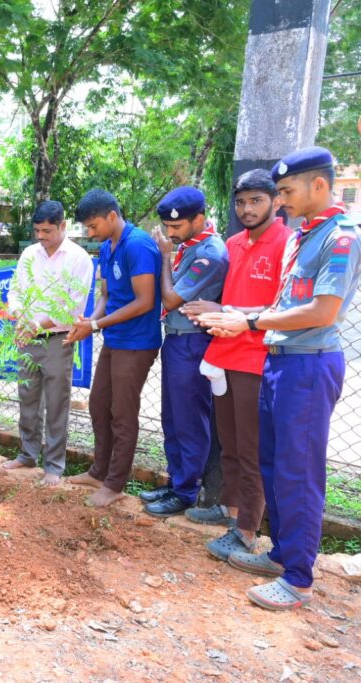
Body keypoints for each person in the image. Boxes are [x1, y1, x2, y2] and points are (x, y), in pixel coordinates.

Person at [199, 147, 361, 611]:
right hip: (280, 360)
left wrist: (248, 323)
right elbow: (284, 307)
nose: (282, 201)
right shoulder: (304, 236)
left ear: (319, 185)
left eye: (287, 192)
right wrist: (242, 315)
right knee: (271, 463)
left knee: (298, 472)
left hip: (308, 366)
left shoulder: (341, 238)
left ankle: (298, 580)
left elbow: (322, 310)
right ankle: (282, 554)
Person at [180, 170, 292, 558]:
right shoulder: (232, 243)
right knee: (227, 441)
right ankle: (228, 507)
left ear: (276, 202)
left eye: (256, 201)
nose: (246, 209)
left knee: (251, 449)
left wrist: (224, 309)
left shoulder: (286, 244)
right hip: (223, 354)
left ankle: (247, 530)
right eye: (241, 202)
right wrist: (215, 312)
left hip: (256, 358)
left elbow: (284, 310)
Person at [65, 189, 162, 508]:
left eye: (93, 226)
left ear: (112, 216)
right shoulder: (108, 247)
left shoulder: (139, 245)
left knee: (122, 412)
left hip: (136, 342)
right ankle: (99, 471)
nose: (90, 233)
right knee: (98, 404)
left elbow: (145, 302)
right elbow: (105, 294)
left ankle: (115, 483)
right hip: (115, 338)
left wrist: (95, 326)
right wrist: (90, 320)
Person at [139, 188, 230, 517]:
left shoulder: (210, 253)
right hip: (176, 339)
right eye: (166, 227)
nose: (169, 234)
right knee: (172, 418)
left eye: (176, 227)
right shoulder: (189, 247)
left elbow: (171, 299)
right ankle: (177, 481)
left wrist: (164, 258)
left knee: (190, 420)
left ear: (199, 220)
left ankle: (187, 490)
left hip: (194, 342)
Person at [4, 200, 94, 486]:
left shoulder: (79, 258)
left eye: (47, 231)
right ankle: (27, 454)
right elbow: (15, 290)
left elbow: (72, 308)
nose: (41, 236)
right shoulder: (30, 254)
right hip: (27, 336)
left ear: (63, 226)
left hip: (58, 339)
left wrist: (35, 325)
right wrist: (19, 316)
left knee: (57, 403)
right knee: (27, 397)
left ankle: (54, 466)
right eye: (37, 230)